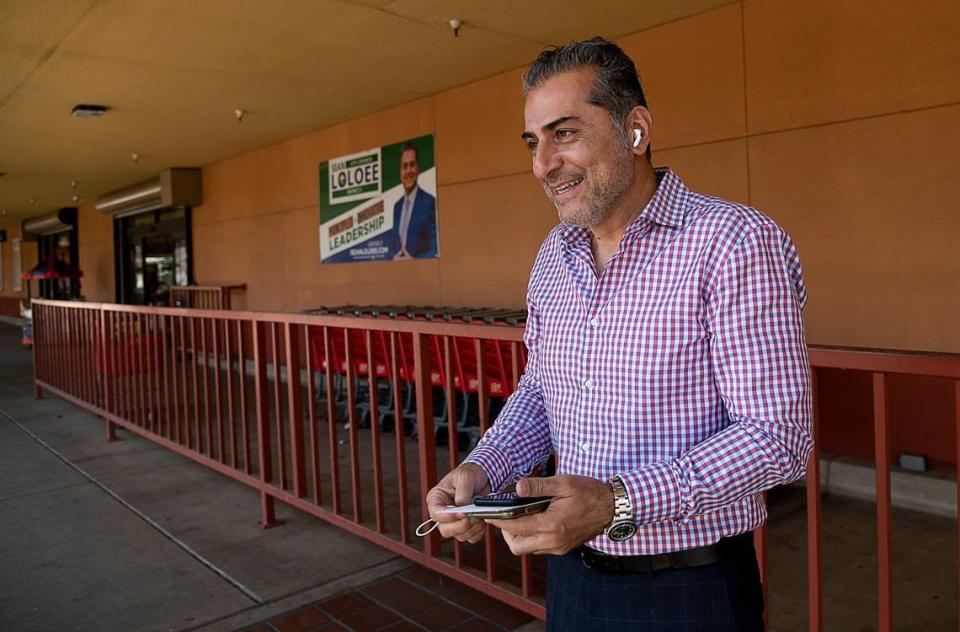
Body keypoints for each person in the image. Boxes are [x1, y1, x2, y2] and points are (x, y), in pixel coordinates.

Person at [425, 37, 812, 631]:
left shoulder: (733, 242)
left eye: (565, 133)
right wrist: (483, 471)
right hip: (573, 580)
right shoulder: (554, 255)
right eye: (534, 142)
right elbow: (540, 392)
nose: (542, 164)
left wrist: (616, 503)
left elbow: (779, 438)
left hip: (690, 587)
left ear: (635, 130)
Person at [390, 143, 438, 259]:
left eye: (412, 165)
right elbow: (394, 246)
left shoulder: (429, 202)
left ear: (418, 168)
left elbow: (436, 249)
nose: (408, 171)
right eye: (404, 166)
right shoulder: (396, 207)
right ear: (400, 172)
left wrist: (414, 261)